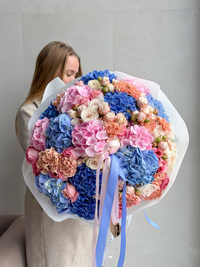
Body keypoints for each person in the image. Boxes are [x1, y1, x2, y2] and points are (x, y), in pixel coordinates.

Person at [15, 41, 93, 267]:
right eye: (69, 74)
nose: (75, 80)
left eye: (77, 74)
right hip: (50, 209)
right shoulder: (28, 113)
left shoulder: (78, 110)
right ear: (50, 72)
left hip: (79, 208)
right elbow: (45, 164)